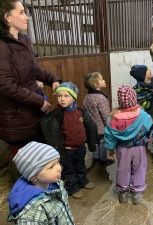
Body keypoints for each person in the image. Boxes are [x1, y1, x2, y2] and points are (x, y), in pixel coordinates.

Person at [0, 0, 61, 175]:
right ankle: (23, 195)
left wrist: (52, 79)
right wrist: (38, 100)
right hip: (16, 113)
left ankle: (41, 186)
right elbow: (6, 85)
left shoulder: (23, 39)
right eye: (21, 12)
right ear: (7, 17)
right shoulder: (2, 46)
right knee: (20, 156)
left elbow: (33, 68)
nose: (26, 17)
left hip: (30, 109)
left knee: (37, 152)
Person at [41, 82, 97, 199]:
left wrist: (92, 143)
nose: (62, 99)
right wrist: (58, 151)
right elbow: (54, 134)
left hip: (80, 147)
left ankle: (83, 181)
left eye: (66, 96)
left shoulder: (80, 111)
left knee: (81, 165)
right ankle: (72, 187)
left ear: (73, 97)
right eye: (59, 96)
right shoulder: (58, 114)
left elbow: (91, 126)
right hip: (67, 150)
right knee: (69, 170)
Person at [104, 85, 152, 205]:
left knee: (123, 169)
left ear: (120, 100)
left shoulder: (113, 117)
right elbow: (148, 125)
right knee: (139, 168)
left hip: (122, 149)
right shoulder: (143, 115)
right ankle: (136, 194)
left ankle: (123, 194)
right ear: (134, 99)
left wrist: (110, 149)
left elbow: (109, 135)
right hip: (138, 147)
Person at [7, 141, 74, 224]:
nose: (59, 168)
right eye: (51, 167)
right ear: (34, 176)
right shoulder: (32, 212)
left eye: (58, 162)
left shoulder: (56, 183)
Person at [83, 72, 113, 164]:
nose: (104, 81)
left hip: (91, 127)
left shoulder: (87, 97)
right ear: (96, 84)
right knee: (103, 143)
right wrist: (110, 126)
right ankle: (103, 159)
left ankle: (96, 158)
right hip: (101, 128)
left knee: (95, 143)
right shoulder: (101, 98)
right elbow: (105, 115)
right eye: (102, 79)